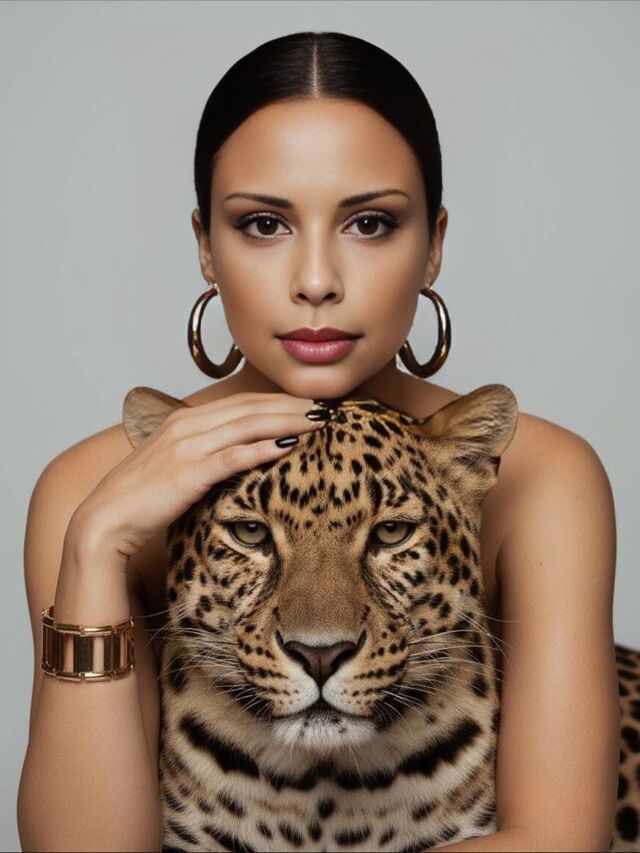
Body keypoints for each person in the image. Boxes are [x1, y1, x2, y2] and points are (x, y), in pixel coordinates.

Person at [17, 30, 619, 852]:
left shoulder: (544, 473)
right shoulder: (92, 486)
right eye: (264, 224)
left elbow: (557, 840)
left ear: (434, 245)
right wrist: (94, 544)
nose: (315, 281)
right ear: (205, 247)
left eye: (369, 223)